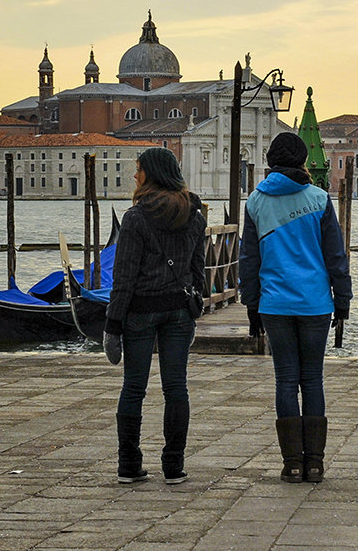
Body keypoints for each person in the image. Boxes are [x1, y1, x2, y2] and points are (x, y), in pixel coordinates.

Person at [240, 132, 353, 484]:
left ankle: (291, 463)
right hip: (315, 302)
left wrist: (251, 305)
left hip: (275, 303)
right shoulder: (319, 198)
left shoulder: (256, 201)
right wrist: (344, 299)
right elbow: (336, 255)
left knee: (286, 380)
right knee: (313, 379)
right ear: (303, 161)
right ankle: (315, 463)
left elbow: (248, 259)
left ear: (271, 161)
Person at [103, 148, 207, 485]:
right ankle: (174, 467)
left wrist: (112, 326)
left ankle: (129, 466)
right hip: (179, 310)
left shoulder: (134, 218)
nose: (135, 176)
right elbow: (197, 269)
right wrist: (197, 300)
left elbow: (124, 278)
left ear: (152, 174)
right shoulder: (195, 214)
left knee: (134, 388)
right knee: (176, 388)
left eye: (139, 170)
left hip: (140, 313)